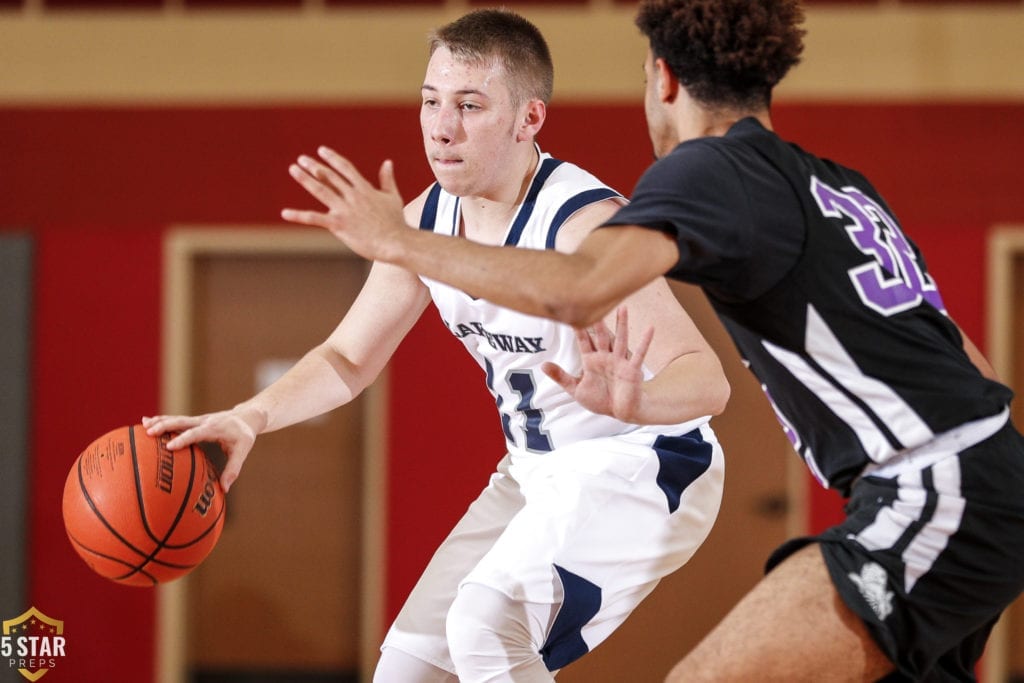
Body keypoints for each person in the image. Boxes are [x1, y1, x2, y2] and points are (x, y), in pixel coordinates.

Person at [279, 0, 1024, 681]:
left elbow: (575, 285)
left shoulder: (708, 169)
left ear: (662, 79)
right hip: (981, 477)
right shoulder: (837, 184)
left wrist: (397, 241)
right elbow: (964, 357)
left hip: (931, 491)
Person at [145, 9, 730, 683]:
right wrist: (251, 415)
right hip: (536, 471)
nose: (441, 126)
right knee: (407, 670)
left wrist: (639, 398)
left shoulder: (582, 223)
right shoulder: (423, 222)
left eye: (470, 105)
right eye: (431, 102)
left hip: (646, 461)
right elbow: (348, 358)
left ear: (529, 119)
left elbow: (706, 380)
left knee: (483, 622)